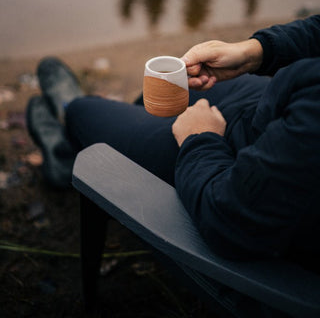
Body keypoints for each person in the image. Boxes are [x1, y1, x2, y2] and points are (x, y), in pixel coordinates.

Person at [26, 14, 320, 268]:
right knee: (161, 93)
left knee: (82, 112)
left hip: (237, 156)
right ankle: (123, 123)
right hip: (276, 106)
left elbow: (234, 220)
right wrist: (258, 51)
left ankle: (66, 158)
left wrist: (199, 138)